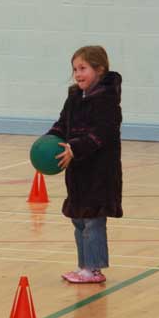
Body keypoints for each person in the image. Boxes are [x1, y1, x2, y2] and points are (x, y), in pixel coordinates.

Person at [47, 45, 123, 284]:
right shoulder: (74, 97)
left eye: (83, 68)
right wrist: (50, 138)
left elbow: (102, 134)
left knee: (93, 220)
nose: (78, 74)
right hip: (78, 171)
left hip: (100, 173)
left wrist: (75, 148)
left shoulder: (107, 101)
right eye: (75, 69)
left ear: (99, 70)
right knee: (79, 218)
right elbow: (62, 124)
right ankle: (84, 267)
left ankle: (94, 269)